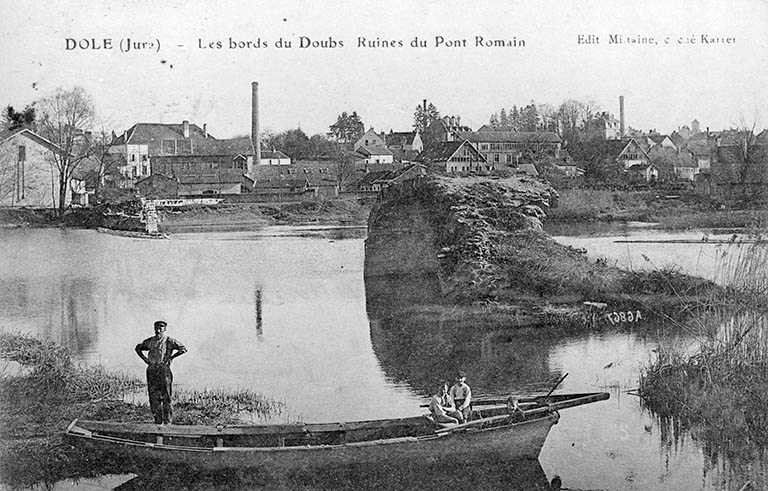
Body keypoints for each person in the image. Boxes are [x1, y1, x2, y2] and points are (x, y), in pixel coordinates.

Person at [135, 320, 187, 425]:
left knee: (166, 396)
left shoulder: (169, 341)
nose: (158, 331)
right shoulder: (150, 341)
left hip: (164, 370)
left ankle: (168, 422)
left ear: (165, 329)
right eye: (156, 328)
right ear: (154, 329)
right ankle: (157, 422)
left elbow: (183, 349)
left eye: (160, 329)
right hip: (152, 370)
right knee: (154, 397)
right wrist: (145, 359)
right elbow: (138, 348)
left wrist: (171, 358)